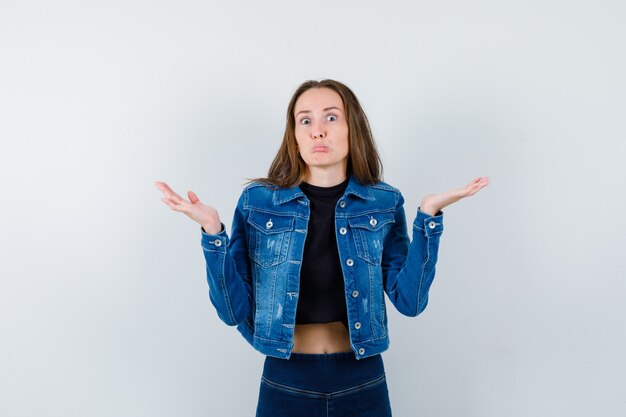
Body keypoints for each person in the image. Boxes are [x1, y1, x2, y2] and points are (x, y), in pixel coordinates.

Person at [155, 79, 489, 416]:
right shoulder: (257, 203)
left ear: (351, 128)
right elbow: (232, 312)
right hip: (286, 380)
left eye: (331, 117)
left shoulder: (383, 202)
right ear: (295, 135)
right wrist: (212, 231)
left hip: (362, 380)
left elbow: (411, 301)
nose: (318, 131)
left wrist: (428, 219)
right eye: (305, 120)